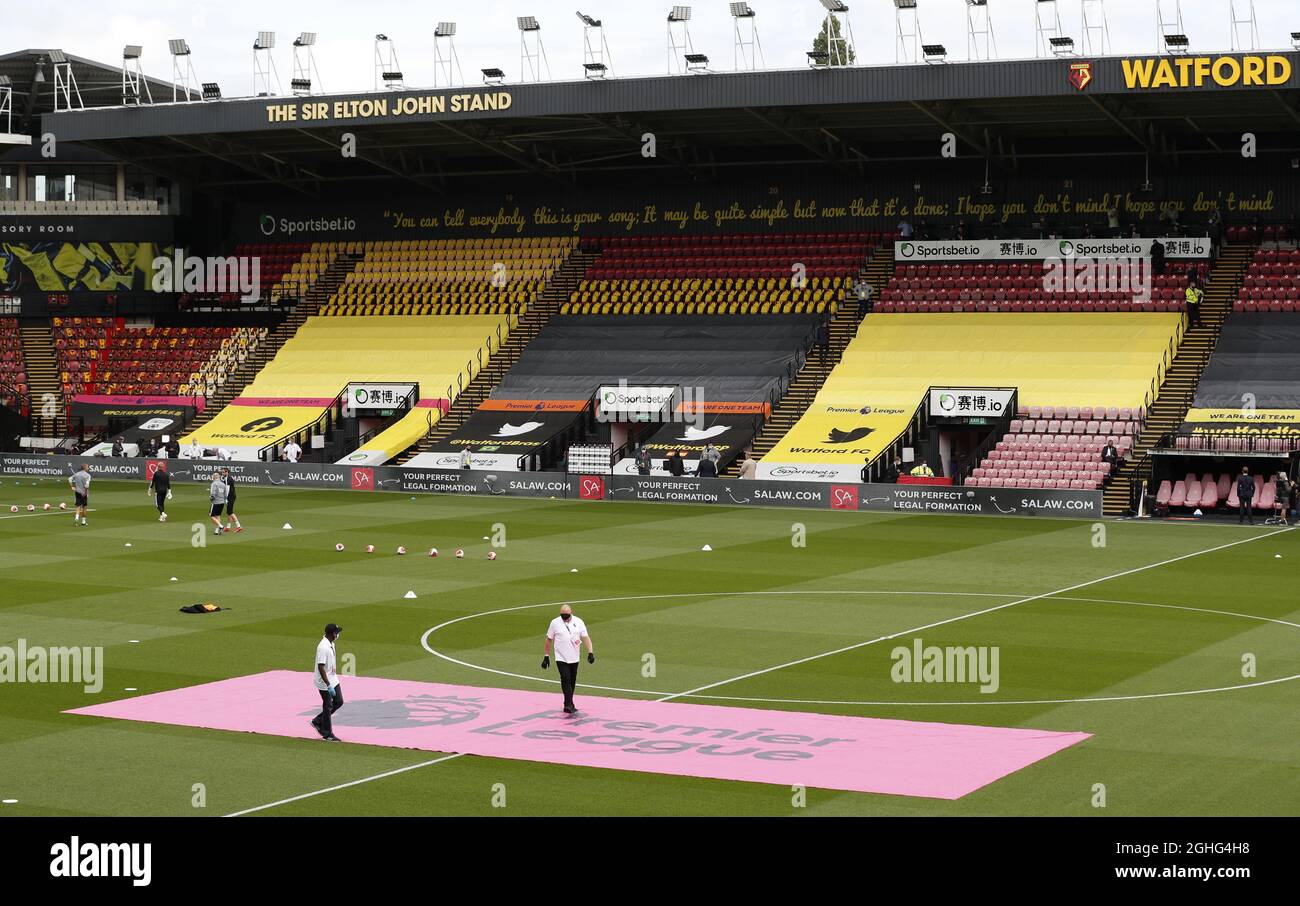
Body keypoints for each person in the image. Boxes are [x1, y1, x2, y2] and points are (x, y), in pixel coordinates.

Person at [541, 604, 594, 715]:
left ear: (571, 612)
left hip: (574, 656)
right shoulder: (555, 622)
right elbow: (549, 639)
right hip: (561, 656)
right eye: (562, 615)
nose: (564, 617)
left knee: (572, 680)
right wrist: (546, 656)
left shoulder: (578, 622)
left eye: (566, 615)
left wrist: (590, 652)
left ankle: (569, 702)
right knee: (565, 678)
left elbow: (585, 637)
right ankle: (568, 704)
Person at [312, 623, 344, 742]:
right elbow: (321, 667)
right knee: (328, 705)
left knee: (339, 701)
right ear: (332, 634)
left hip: (332, 678)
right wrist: (328, 685)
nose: (338, 634)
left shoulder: (331, 644)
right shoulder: (323, 647)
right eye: (337, 632)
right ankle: (327, 734)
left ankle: (318, 721)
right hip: (324, 681)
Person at [220, 467, 242, 533]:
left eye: (223, 472)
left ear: (227, 472)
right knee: (228, 511)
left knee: (230, 512)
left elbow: (227, 489)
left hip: (230, 497)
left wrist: (225, 498)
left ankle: (239, 526)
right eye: (222, 472)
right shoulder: (227, 478)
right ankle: (228, 527)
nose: (222, 473)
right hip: (230, 496)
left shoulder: (228, 479)